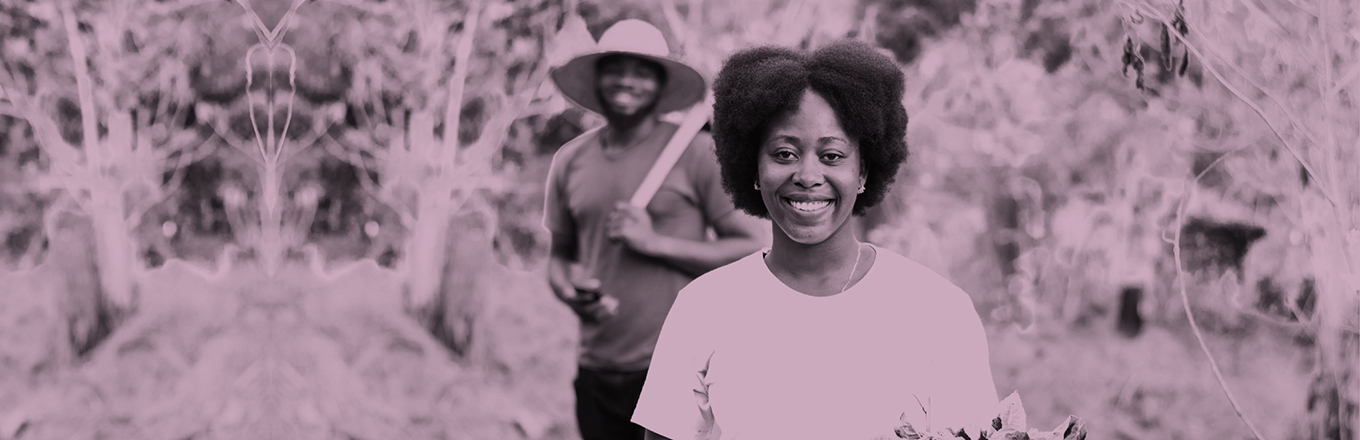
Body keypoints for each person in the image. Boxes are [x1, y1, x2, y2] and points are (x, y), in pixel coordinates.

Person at [631, 41, 1000, 440]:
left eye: (832, 156)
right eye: (784, 154)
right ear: (753, 167)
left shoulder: (938, 311)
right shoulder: (703, 307)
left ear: (863, 172)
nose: (807, 176)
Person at [542, 19, 769, 440]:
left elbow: (753, 248)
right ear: (597, 78)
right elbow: (559, 257)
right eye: (615, 68)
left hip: (676, 369)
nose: (627, 80)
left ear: (662, 84)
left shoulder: (697, 153)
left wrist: (655, 243)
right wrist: (570, 291)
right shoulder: (569, 160)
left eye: (642, 71)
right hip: (595, 367)